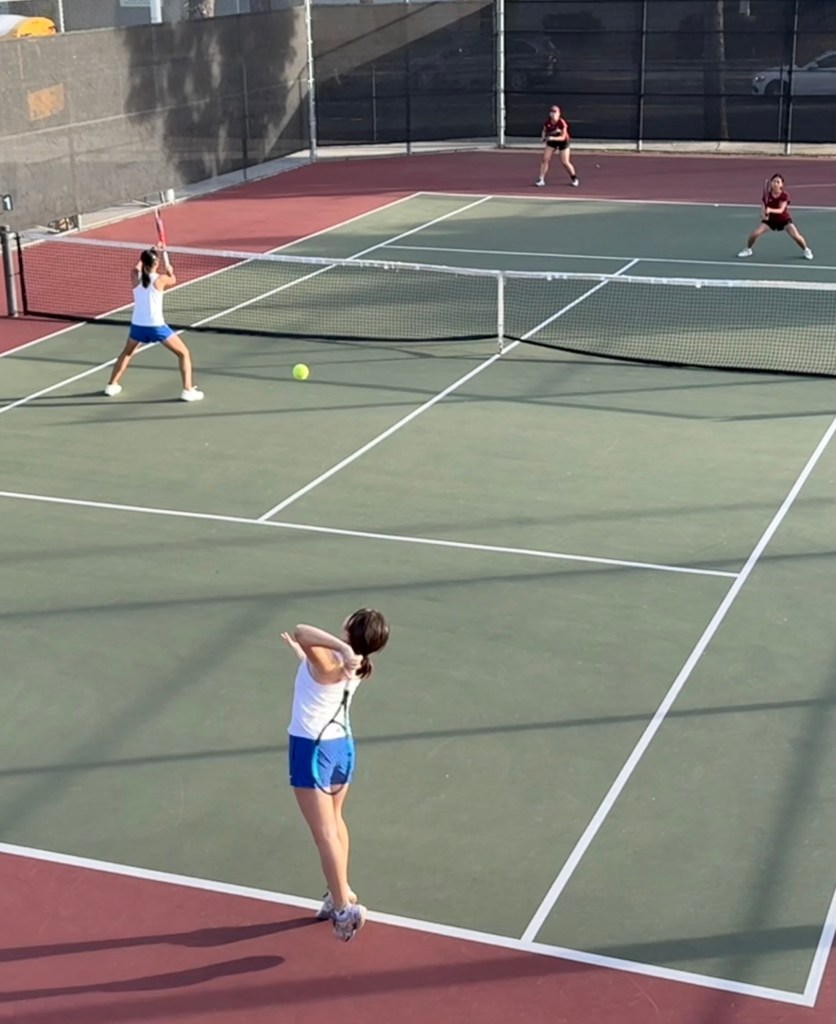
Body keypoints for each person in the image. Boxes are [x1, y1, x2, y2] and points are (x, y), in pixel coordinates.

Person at [282, 609, 390, 942]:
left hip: (311, 750)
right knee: (336, 821)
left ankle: (343, 909)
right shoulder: (357, 664)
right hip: (340, 748)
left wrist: (338, 648)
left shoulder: (335, 660)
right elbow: (313, 662)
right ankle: (339, 890)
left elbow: (302, 629)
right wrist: (303, 655)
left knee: (324, 833)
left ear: (349, 630)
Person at [104, 246, 204, 401]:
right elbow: (173, 280)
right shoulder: (161, 279)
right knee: (183, 353)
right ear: (156, 264)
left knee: (127, 353)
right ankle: (188, 390)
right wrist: (170, 271)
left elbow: (136, 268)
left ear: (143, 262)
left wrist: (151, 250)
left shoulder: (135, 276)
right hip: (156, 327)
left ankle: (111, 385)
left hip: (138, 327)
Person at [737, 174, 813, 260]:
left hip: (784, 220)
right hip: (770, 221)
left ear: (781, 185)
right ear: (771, 183)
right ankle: (748, 249)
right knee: (755, 234)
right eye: (774, 181)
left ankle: (806, 250)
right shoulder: (767, 196)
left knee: (796, 236)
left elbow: (781, 210)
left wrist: (770, 210)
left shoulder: (784, 196)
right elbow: (763, 208)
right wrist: (763, 215)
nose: (775, 183)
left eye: (778, 182)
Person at [535, 104, 579, 189]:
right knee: (545, 159)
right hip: (552, 143)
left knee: (565, 162)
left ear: (559, 114)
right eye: (551, 112)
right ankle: (541, 179)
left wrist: (553, 138)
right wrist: (543, 137)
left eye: (555, 112)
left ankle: (574, 178)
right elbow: (544, 130)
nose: (553, 114)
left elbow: (563, 137)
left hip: (563, 142)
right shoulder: (547, 123)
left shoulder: (561, 123)